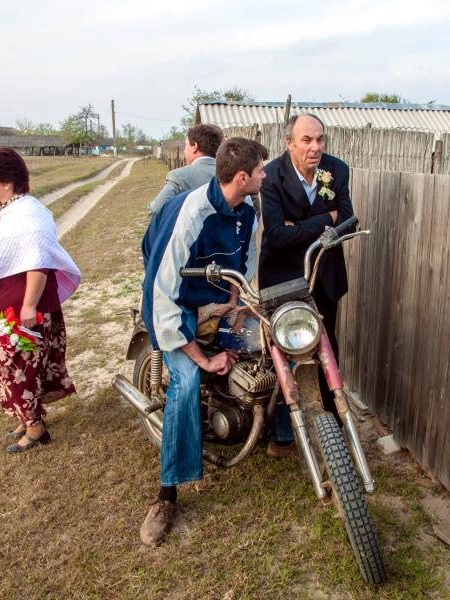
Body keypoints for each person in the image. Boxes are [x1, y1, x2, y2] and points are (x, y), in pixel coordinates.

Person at [139, 137, 269, 546]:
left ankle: (278, 434)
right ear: (243, 176)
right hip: (176, 309)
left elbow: (242, 265)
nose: (266, 176)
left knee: (274, 344)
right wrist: (201, 357)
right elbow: (163, 293)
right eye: (262, 171)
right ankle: (166, 495)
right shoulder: (190, 213)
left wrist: (236, 306)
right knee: (186, 382)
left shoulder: (246, 210)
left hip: (216, 308)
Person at [0, 148, 82, 453]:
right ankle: (25, 417)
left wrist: (28, 306)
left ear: (7, 181)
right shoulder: (10, 211)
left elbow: (38, 261)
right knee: (14, 365)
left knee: (20, 367)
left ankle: (35, 428)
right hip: (8, 312)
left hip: (23, 315)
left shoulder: (30, 214)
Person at [258, 114, 354, 457]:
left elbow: (347, 220)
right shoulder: (270, 176)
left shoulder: (337, 170)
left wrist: (301, 224)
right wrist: (324, 220)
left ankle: (335, 431)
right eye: (306, 140)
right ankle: (283, 435)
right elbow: (277, 236)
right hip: (282, 278)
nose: (315, 147)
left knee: (328, 349)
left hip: (325, 275)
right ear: (290, 143)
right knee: (282, 351)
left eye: (320, 140)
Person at [147, 124, 223, 217]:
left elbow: (156, 210)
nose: (184, 151)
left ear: (195, 146)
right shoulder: (232, 175)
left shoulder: (179, 176)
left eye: (186, 145)